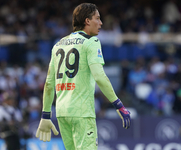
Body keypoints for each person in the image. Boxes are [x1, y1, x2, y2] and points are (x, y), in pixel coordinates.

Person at [36, 3, 131, 150]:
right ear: (87, 21)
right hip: (81, 112)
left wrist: (46, 114)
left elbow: (49, 83)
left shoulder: (58, 45)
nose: (101, 23)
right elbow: (99, 76)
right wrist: (119, 105)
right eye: (97, 19)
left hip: (62, 113)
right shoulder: (91, 42)